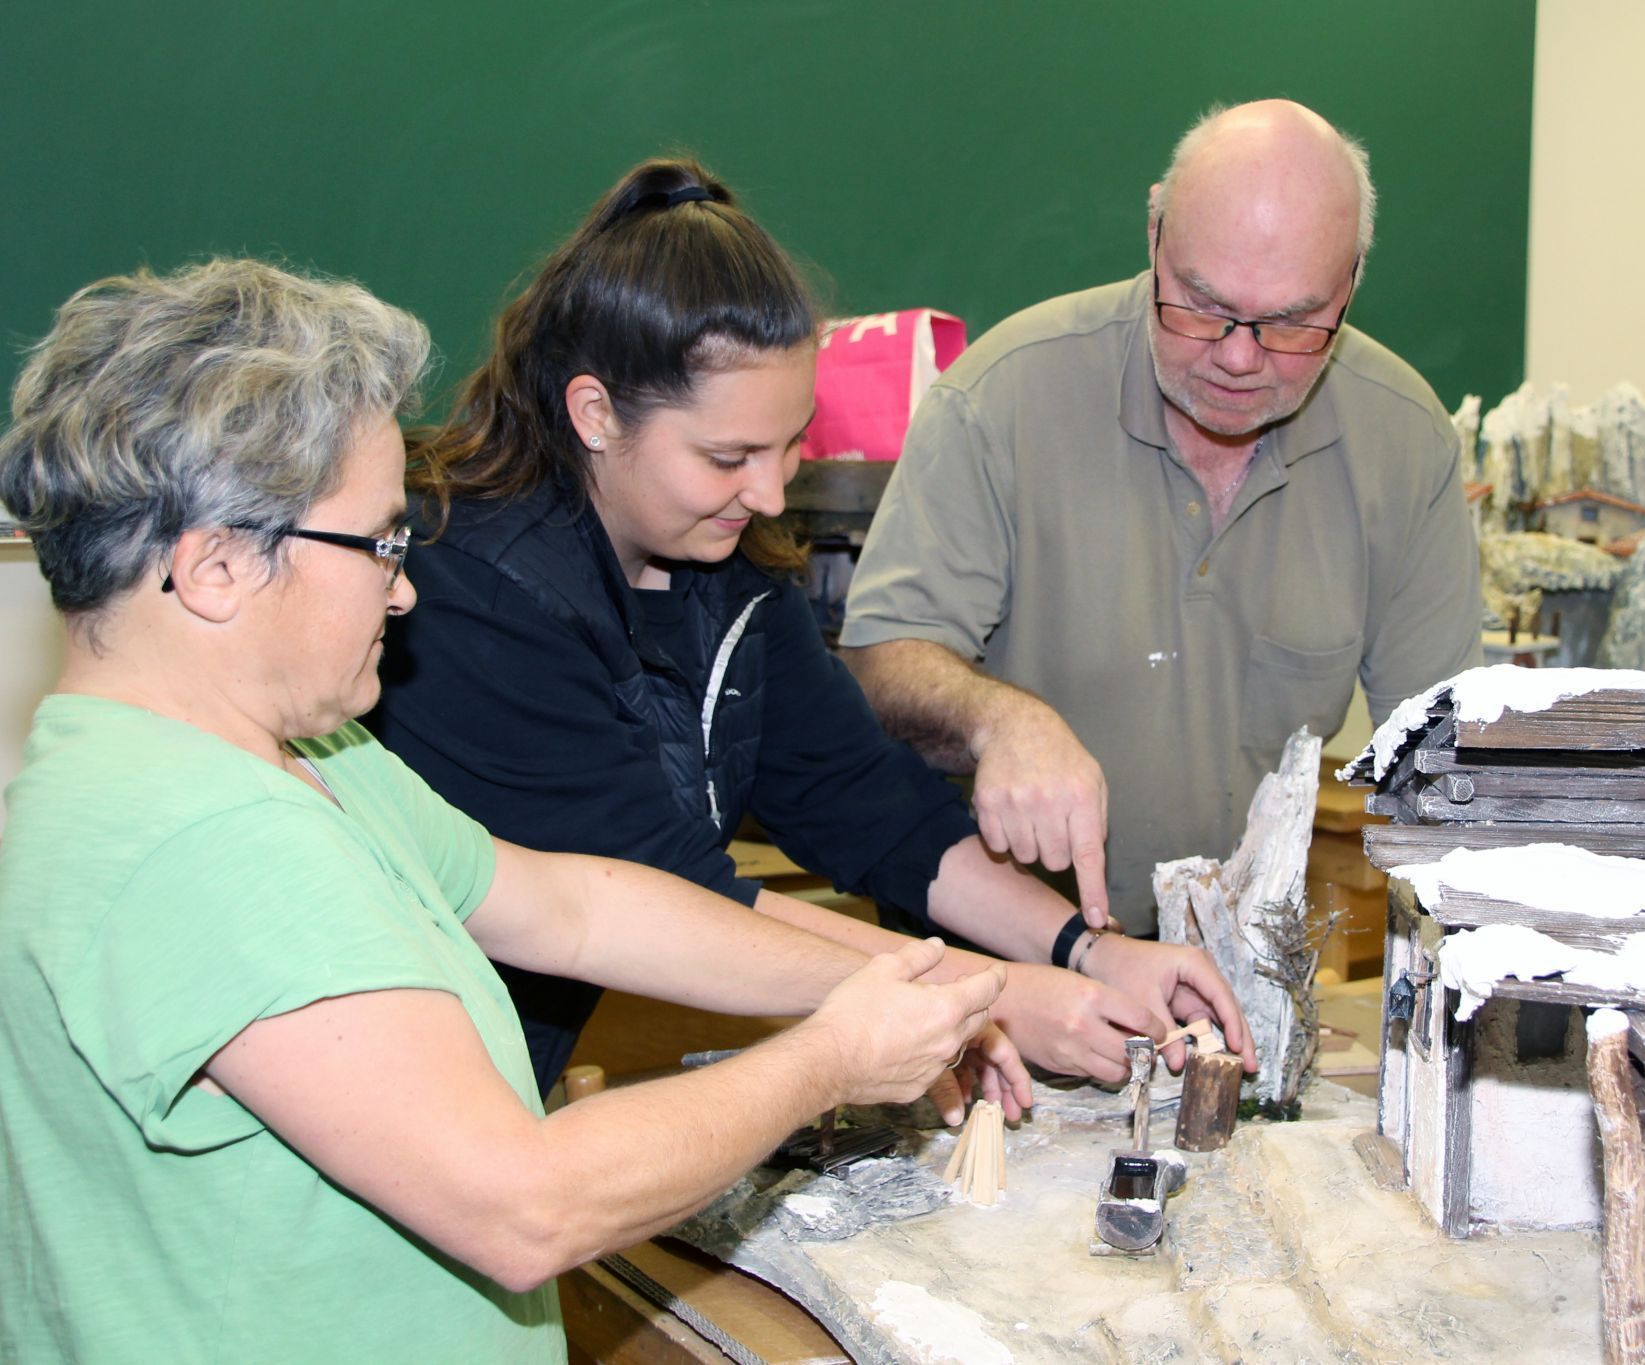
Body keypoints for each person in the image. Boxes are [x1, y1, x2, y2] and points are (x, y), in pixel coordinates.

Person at [0, 259, 1025, 1362]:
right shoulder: (201, 841)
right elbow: (526, 1205)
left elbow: (572, 908)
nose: (403, 589)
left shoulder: (307, 759)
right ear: (215, 567)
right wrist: (830, 1058)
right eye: (378, 544)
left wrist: (886, 987)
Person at [370, 157, 1252, 1095]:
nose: (768, 492)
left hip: (502, 1081)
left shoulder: (728, 570)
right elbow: (672, 899)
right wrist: (981, 996)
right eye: (728, 457)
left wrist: (1083, 949)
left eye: (792, 443)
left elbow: (869, 803)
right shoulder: (475, 594)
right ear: (593, 413)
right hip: (394, 1076)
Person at [840, 100, 1485, 935]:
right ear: (1154, 235)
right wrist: (997, 720)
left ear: (1352, 281)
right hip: (994, 946)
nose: (1239, 356)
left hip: (1236, 958)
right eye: (1202, 304)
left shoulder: (1404, 440)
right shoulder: (1001, 401)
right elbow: (880, 664)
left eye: (1292, 322)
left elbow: (1437, 760)